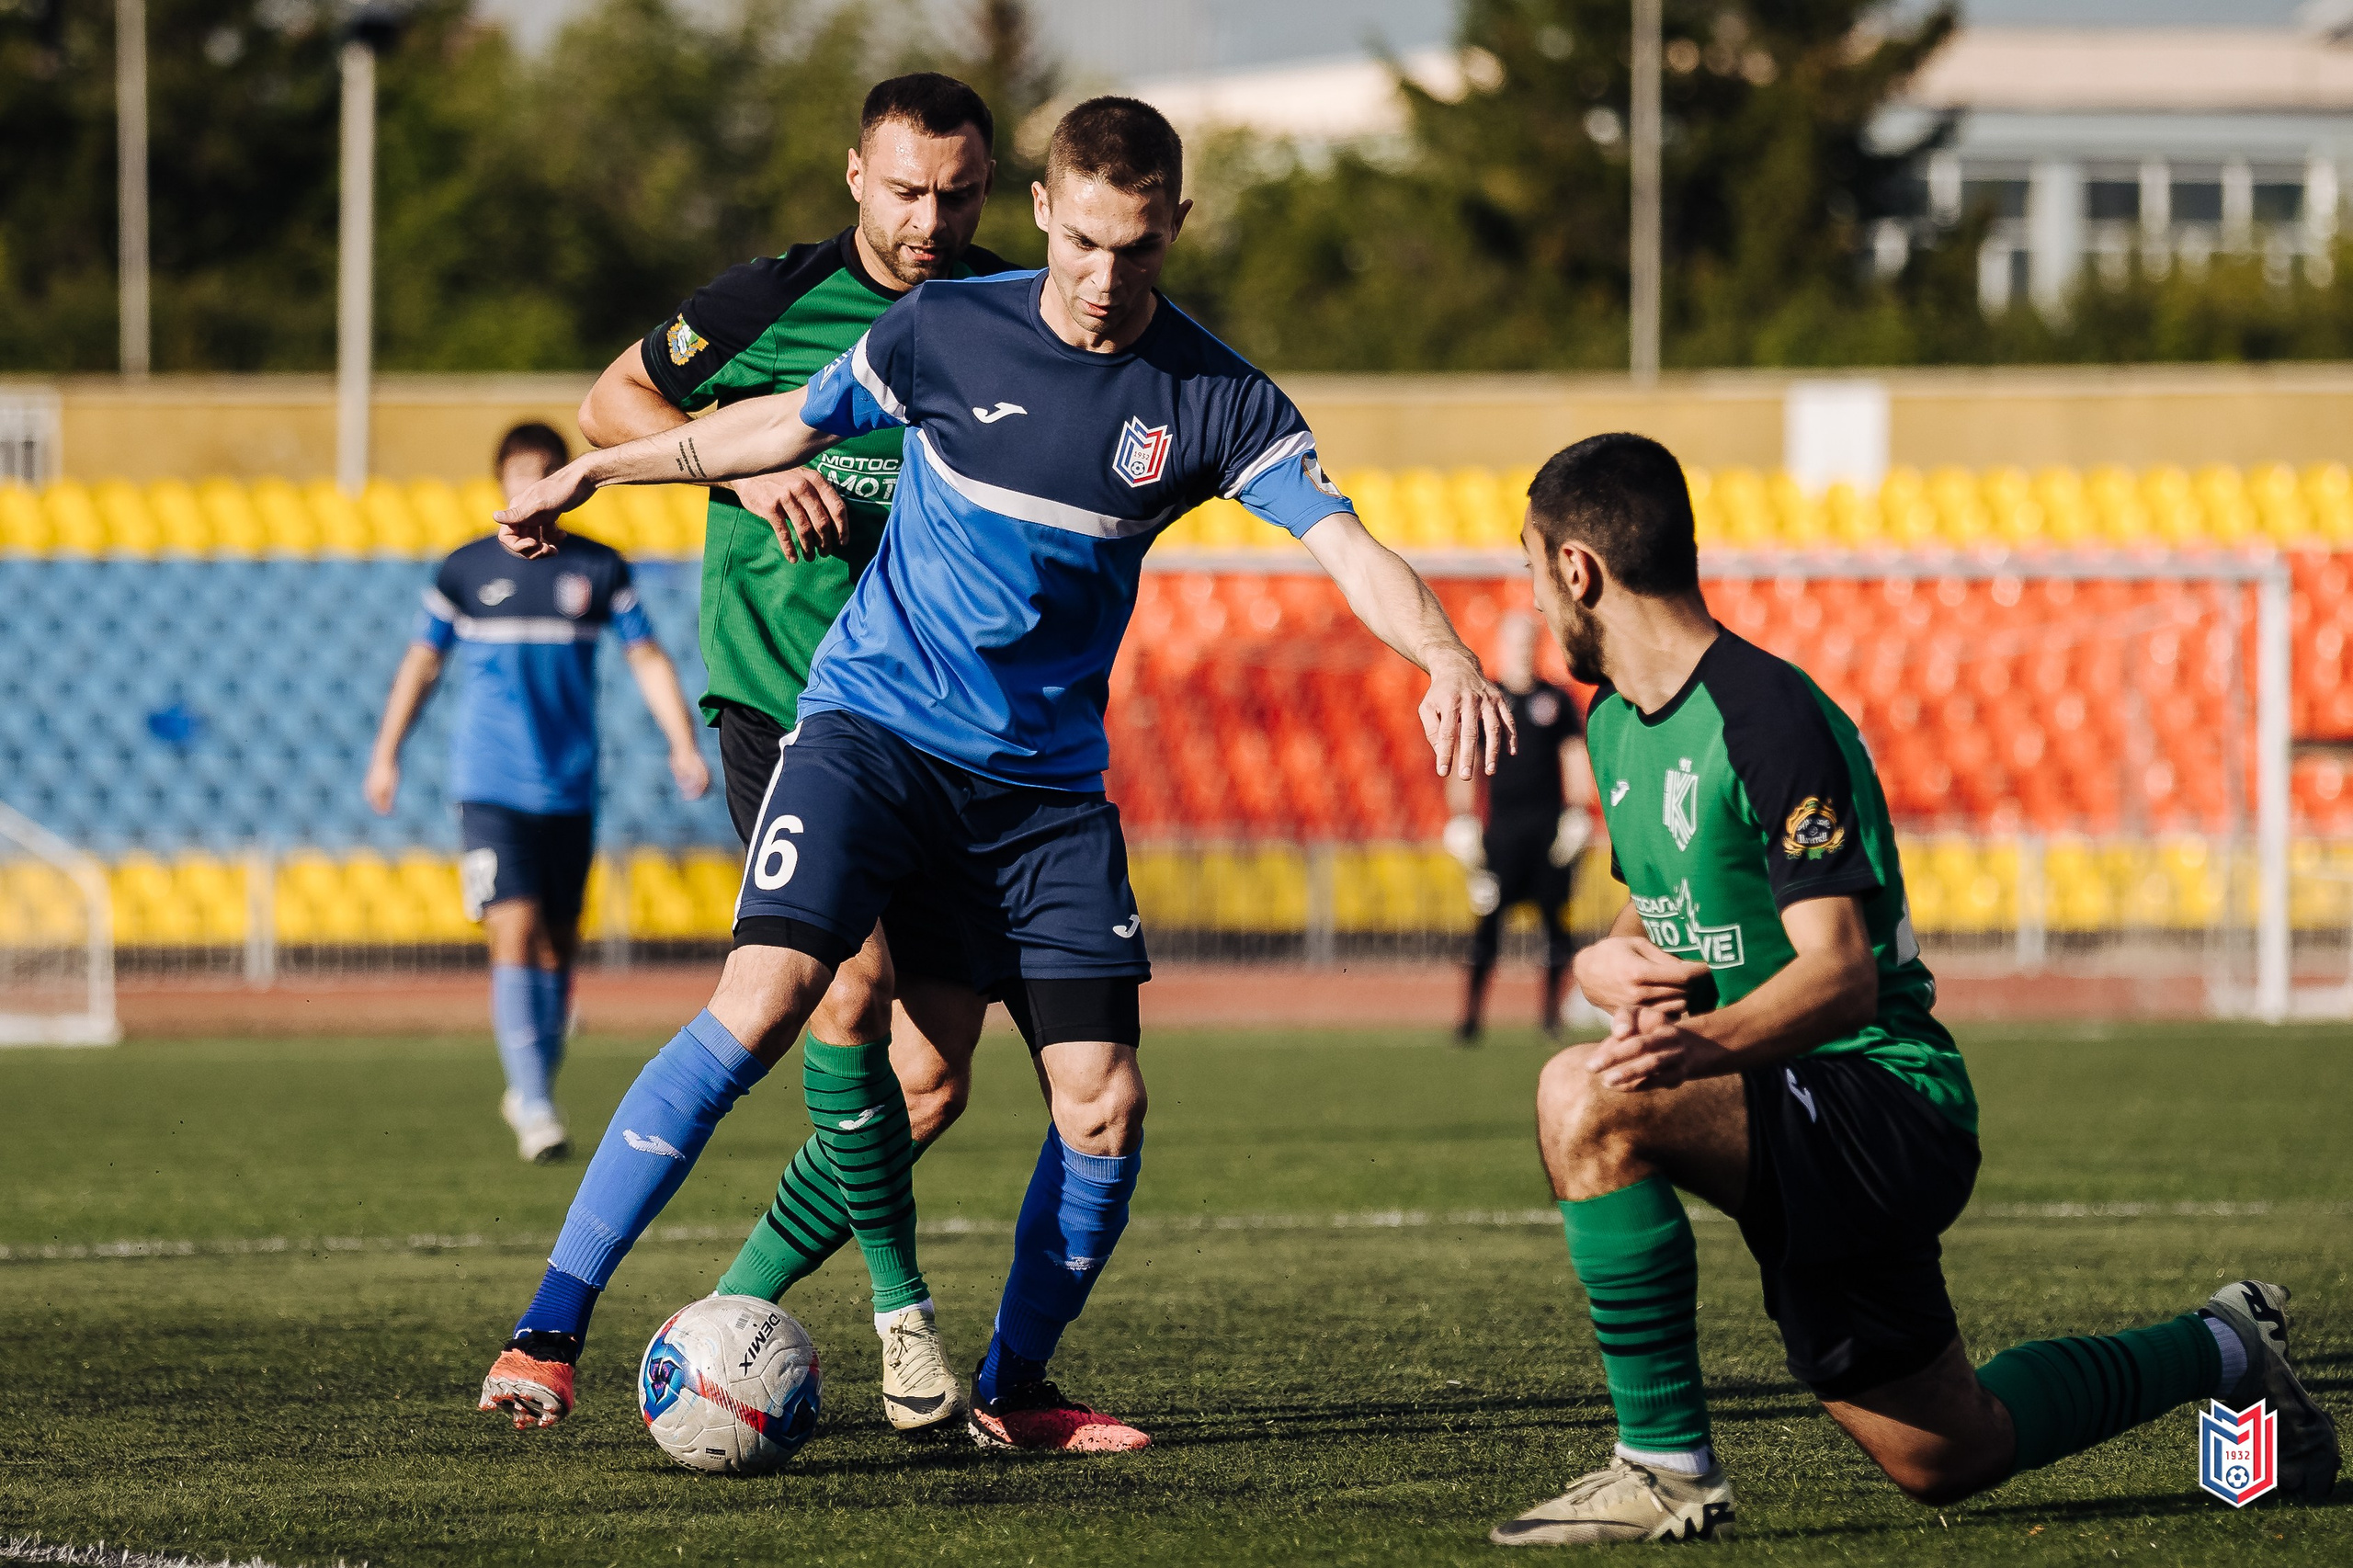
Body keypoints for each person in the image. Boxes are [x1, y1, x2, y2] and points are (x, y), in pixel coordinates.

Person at [477, 96, 1515, 1454]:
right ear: (1041, 211)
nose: (1104, 277)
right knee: (770, 995)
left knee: (1102, 1100)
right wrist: (600, 471)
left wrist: (1444, 653)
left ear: (1176, 227)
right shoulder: (944, 327)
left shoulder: (1219, 397)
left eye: (1137, 249)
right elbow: (775, 426)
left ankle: (1013, 1389)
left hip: (1042, 796)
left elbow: (1346, 542)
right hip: (872, 735)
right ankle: (549, 1328)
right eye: (1081, 241)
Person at [1487, 433, 2337, 1546]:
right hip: (1778, 1100)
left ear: (1578, 568)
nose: (1530, 596)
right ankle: (2228, 1346)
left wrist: (1696, 1050)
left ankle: (1664, 1470)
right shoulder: (1613, 726)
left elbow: (1840, 974)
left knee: (1584, 1095)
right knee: (1946, 1451)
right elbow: (1661, 901)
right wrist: (1601, 957)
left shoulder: (1767, 715)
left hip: (1878, 1097)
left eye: (1529, 565)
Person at [574, 72, 1011, 1437]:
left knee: (931, 1080)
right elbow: (610, 402)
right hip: (791, 706)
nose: (930, 220)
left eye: (957, 195)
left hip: (951, 726)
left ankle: (729, 1315)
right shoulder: (767, 302)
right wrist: (742, 466)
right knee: (845, 986)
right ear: (855, 175)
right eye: (907, 190)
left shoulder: (1010, 314)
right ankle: (901, 1317)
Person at [365, 422, 710, 1163]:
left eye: (545, 472)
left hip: (570, 786)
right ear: (500, 483)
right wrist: (386, 754)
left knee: (558, 947)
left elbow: (647, 658)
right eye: (520, 473)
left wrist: (683, 741)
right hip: (488, 786)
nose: (531, 486)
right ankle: (535, 1103)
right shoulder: (464, 571)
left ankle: (533, 1088)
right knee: (513, 929)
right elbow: (422, 664)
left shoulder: (599, 568)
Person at [1443, 611, 1593, 1042]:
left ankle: (1549, 1018)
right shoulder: (1485, 696)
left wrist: (1578, 811)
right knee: (1487, 923)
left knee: (1555, 925)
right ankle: (1470, 1019)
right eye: (1516, 642)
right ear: (1503, 646)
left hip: (1548, 830)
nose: (1523, 650)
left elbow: (1573, 756)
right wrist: (1463, 818)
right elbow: (1466, 758)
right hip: (1502, 831)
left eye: (1530, 642)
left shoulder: (1556, 699)